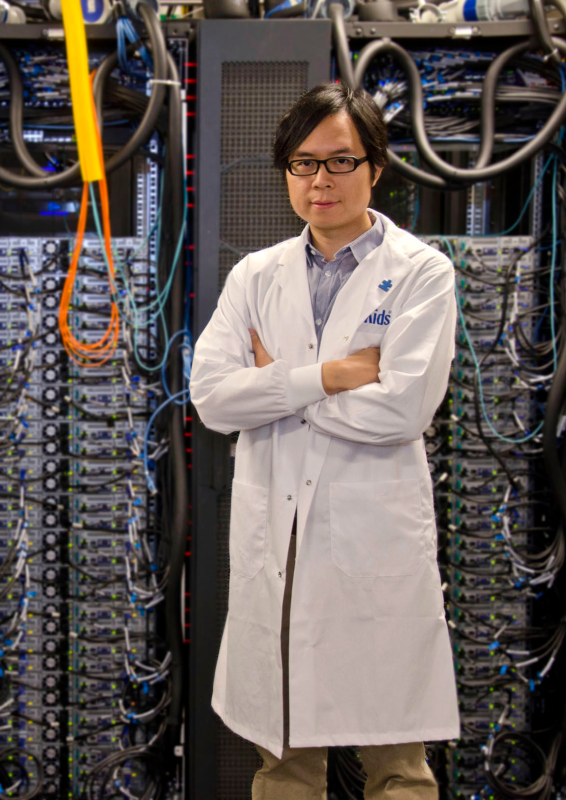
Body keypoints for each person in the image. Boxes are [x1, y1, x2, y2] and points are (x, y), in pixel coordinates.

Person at [190, 83, 459, 799]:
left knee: (398, 768)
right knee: (283, 766)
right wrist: (331, 377)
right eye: (303, 164)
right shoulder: (255, 276)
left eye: (340, 161)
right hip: (277, 545)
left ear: (376, 166)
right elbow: (212, 399)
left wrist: (276, 386)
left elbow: (402, 409)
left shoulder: (421, 272)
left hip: (373, 545)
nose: (320, 181)